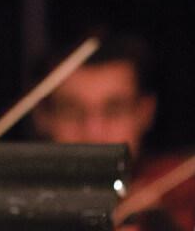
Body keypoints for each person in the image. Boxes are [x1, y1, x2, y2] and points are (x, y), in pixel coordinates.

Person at [33, 34, 195, 231]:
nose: (94, 134)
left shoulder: (182, 197)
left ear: (145, 112)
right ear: (42, 117)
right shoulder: (10, 209)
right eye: (72, 111)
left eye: (114, 110)